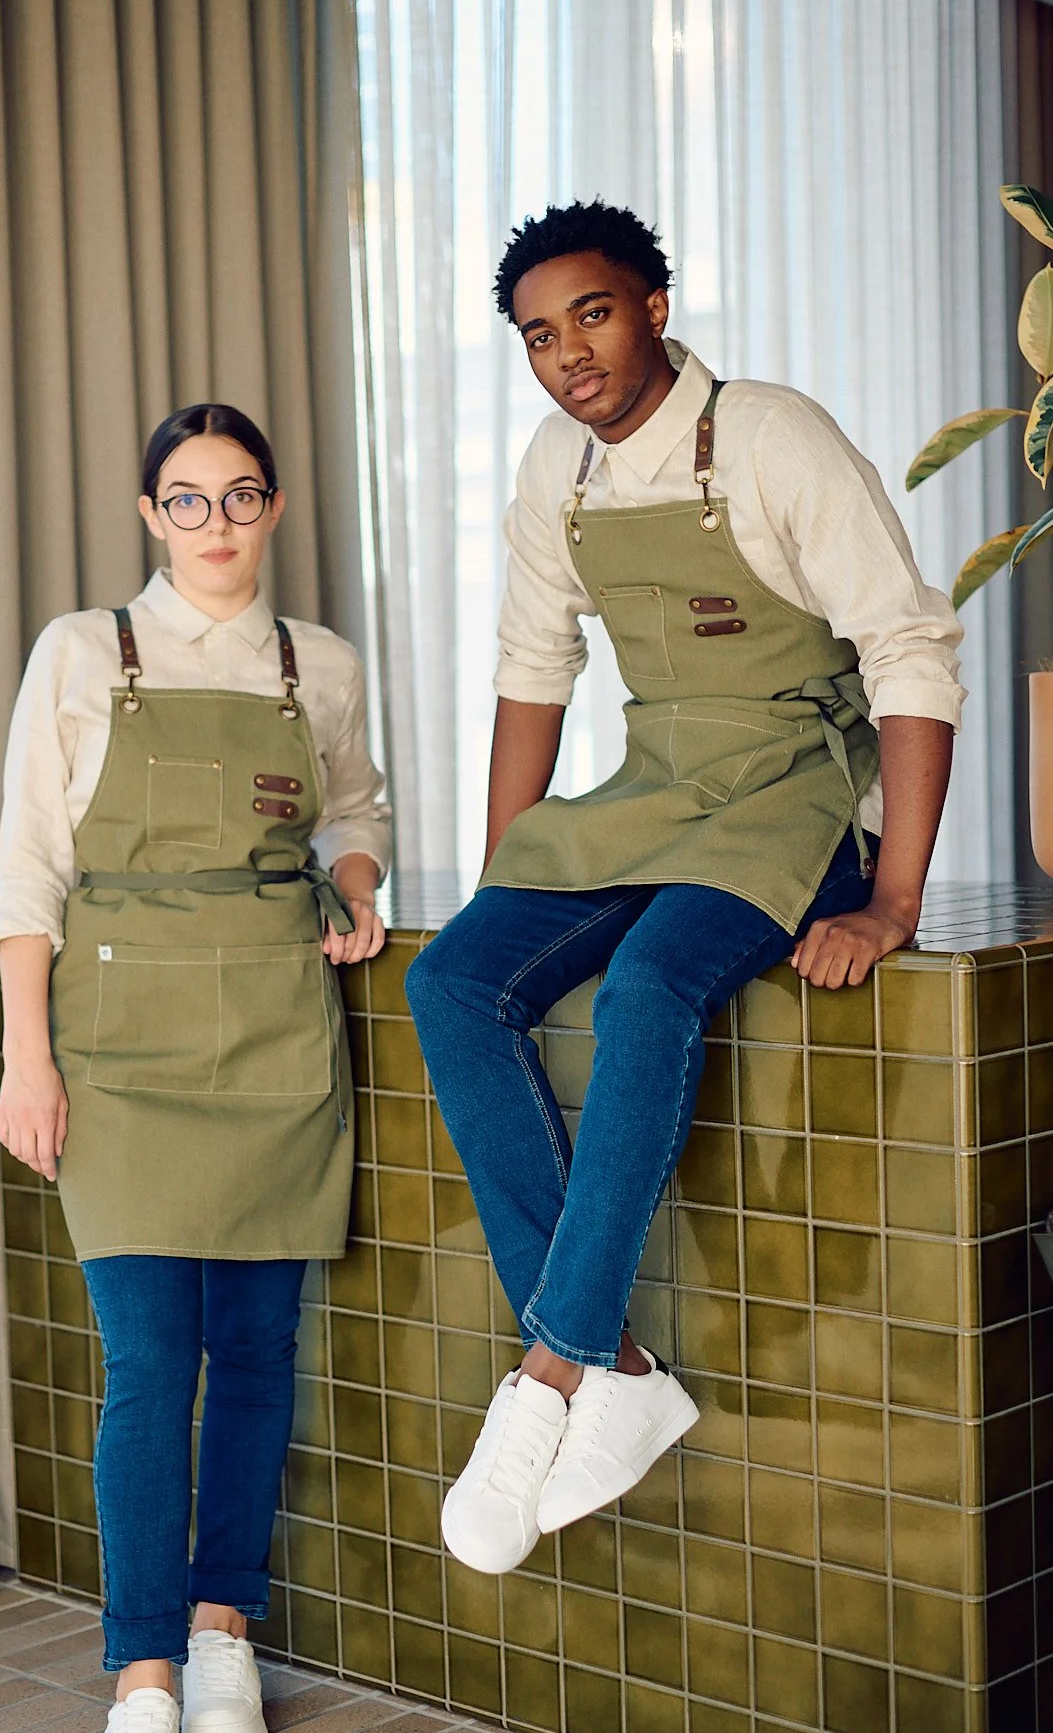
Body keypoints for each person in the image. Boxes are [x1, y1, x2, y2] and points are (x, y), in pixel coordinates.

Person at [406, 199, 961, 1578]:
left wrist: (890, 899)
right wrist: (505, 889)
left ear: (655, 303)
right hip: (656, 786)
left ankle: (549, 1377)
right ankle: (625, 1364)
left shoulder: (773, 438)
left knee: (654, 984)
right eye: (539, 336)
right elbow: (534, 671)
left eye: (591, 315)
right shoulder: (559, 469)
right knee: (450, 978)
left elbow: (907, 650)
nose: (568, 356)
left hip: (792, 791)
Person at [0, 403, 390, 1733]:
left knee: (258, 1351)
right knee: (150, 1371)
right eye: (186, 501)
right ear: (152, 514)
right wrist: (26, 1063)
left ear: (273, 508)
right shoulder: (83, 652)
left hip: (280, 1034)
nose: (214, 526)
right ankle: (141, 1696)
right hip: (121, 1049)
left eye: (239, 499)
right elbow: (30, 870)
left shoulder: (319, 666)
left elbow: (355, 810)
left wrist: (355, 887)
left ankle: (227, 1635)